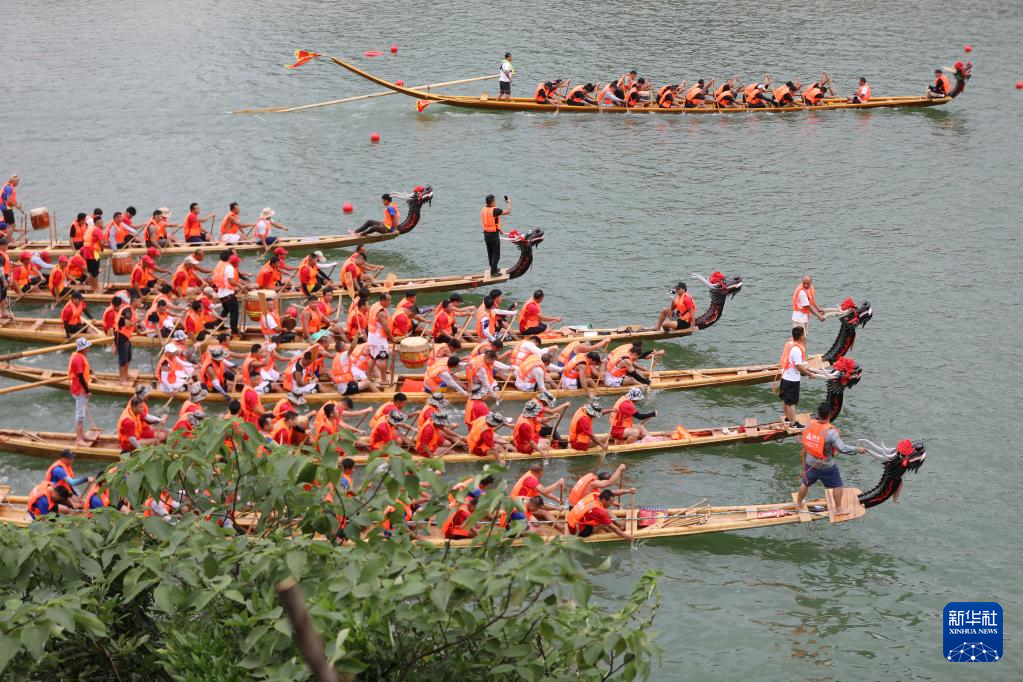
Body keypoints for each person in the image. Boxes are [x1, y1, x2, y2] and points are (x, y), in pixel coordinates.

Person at [794, 402, 867, 514]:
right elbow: (842, 448)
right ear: (830, 415)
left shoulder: (809, 425)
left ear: (818, 413)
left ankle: (798, 504)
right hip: (826, 465)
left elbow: (805, 438)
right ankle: (839, 509)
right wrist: (857, 449)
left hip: (810, 462)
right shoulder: (831, 433)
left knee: (805, 483)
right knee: (838, 486)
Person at [778, 326, 815, 428]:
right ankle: (793, 423)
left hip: (784, 376)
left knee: (784, 399)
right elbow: (798, 366)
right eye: (804, 334)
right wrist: (809, 374)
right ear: (801, 336)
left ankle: (788, 417)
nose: (805, 336)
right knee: (791, 402)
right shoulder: (796, 350)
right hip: (792, 380)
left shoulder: (789, 343)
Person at [566, 489, 633, 540]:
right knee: (604, 524)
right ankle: (614, 531)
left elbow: (612, 493)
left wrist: (628, 491)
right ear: (603, 500)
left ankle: (619, 523)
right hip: (576, 530)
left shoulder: (595, 494)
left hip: (571, 518)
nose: (611, 504)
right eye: (610, 502)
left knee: (605, 511)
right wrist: (627, 537)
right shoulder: (599, 511)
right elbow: (613, 527)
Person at [115, 290, 142, 386]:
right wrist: (137, 321)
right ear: (134, 302)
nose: (140, 303)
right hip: (120, 336)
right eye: (139, 301)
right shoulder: (128, 311)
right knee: (123, 358)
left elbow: (132, 323)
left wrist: (138, 332)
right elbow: (127, 324)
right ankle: (122, 379)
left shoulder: (132, 310)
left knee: (128, 356)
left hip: (126, 337)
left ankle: (126, 374)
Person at [481, 194, 510, 277]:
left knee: (490, 252)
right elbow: (507, 211)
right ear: (492, 202)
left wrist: (499, 229)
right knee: (496, 254)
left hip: (486, 234)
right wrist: (509, 203)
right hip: (493, 236)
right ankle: (493, 272)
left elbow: (493, 221)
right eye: (494, 201)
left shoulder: (483, 210)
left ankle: (493, 268)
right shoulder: (495, 210)